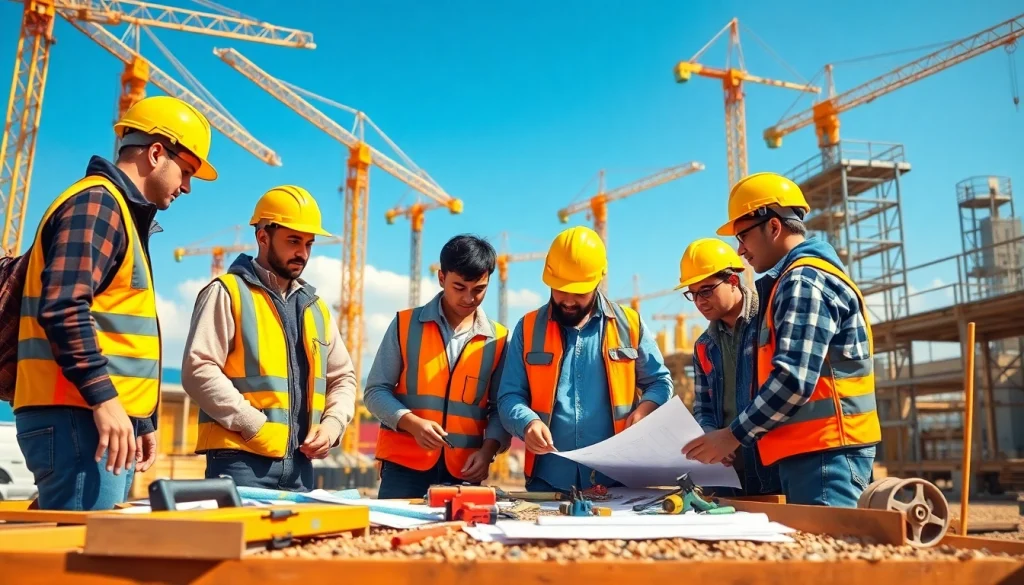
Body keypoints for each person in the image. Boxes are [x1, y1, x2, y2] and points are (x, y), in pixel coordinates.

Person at [13, 95, 216, 510]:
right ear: (157, 153)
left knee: (80, 555)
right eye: (187, 171)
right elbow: (64, 307)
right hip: (79, 417)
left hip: (92, 420)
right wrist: (105, 400)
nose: (188, 187)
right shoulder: (98, 204)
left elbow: (115, 331)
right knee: (78, 564)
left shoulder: (116, 210)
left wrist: (140, 418)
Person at [681, 172, 880, 507]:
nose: (741, 250)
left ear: (773, 227)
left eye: (743, 236)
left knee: (827, 552)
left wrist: (731, 436)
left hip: (825, 451)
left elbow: (793, 379)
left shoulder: (803, 279)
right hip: (809, 450)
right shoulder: (791, 282)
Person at [181, 185, 358, 491]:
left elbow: (343, 378)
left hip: (301, 466)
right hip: (239, 461)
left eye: (308, 243)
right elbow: (198, 369)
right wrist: (252, 425)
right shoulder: (227, 292)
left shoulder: (316, 309)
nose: (302, 253)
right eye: (293, 241)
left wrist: (332, 426)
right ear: (262, 237)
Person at [498, 226, 674, 493]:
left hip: (618, 478)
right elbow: (509, 395)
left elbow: (660, 382)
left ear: (598, 281)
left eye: (579, 292)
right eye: (560, 290)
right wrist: (528, 423)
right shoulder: (529, 328)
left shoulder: (629, 325)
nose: (568, 300)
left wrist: (643, 412)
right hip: (548, 478)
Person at [365, 235, 510, 499]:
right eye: (459, 287)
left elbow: (501, 408)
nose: (469, 298)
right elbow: (376, 391)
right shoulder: (404, 325)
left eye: (479, 289)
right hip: (403, 466)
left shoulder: (499, 340)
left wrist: (488, 452)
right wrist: (411, 423)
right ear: (441, 278)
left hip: (466, 468)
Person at [677, 238, 780, 497]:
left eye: (706, 291)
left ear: (733, 281)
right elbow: (704, 406)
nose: (699, 302)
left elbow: (783, 390)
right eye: (693, 294)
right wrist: (711, 435)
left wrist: (732, 436)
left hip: (775, 466)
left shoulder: (770, 321)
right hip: (726, 473)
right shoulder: (703, 346)